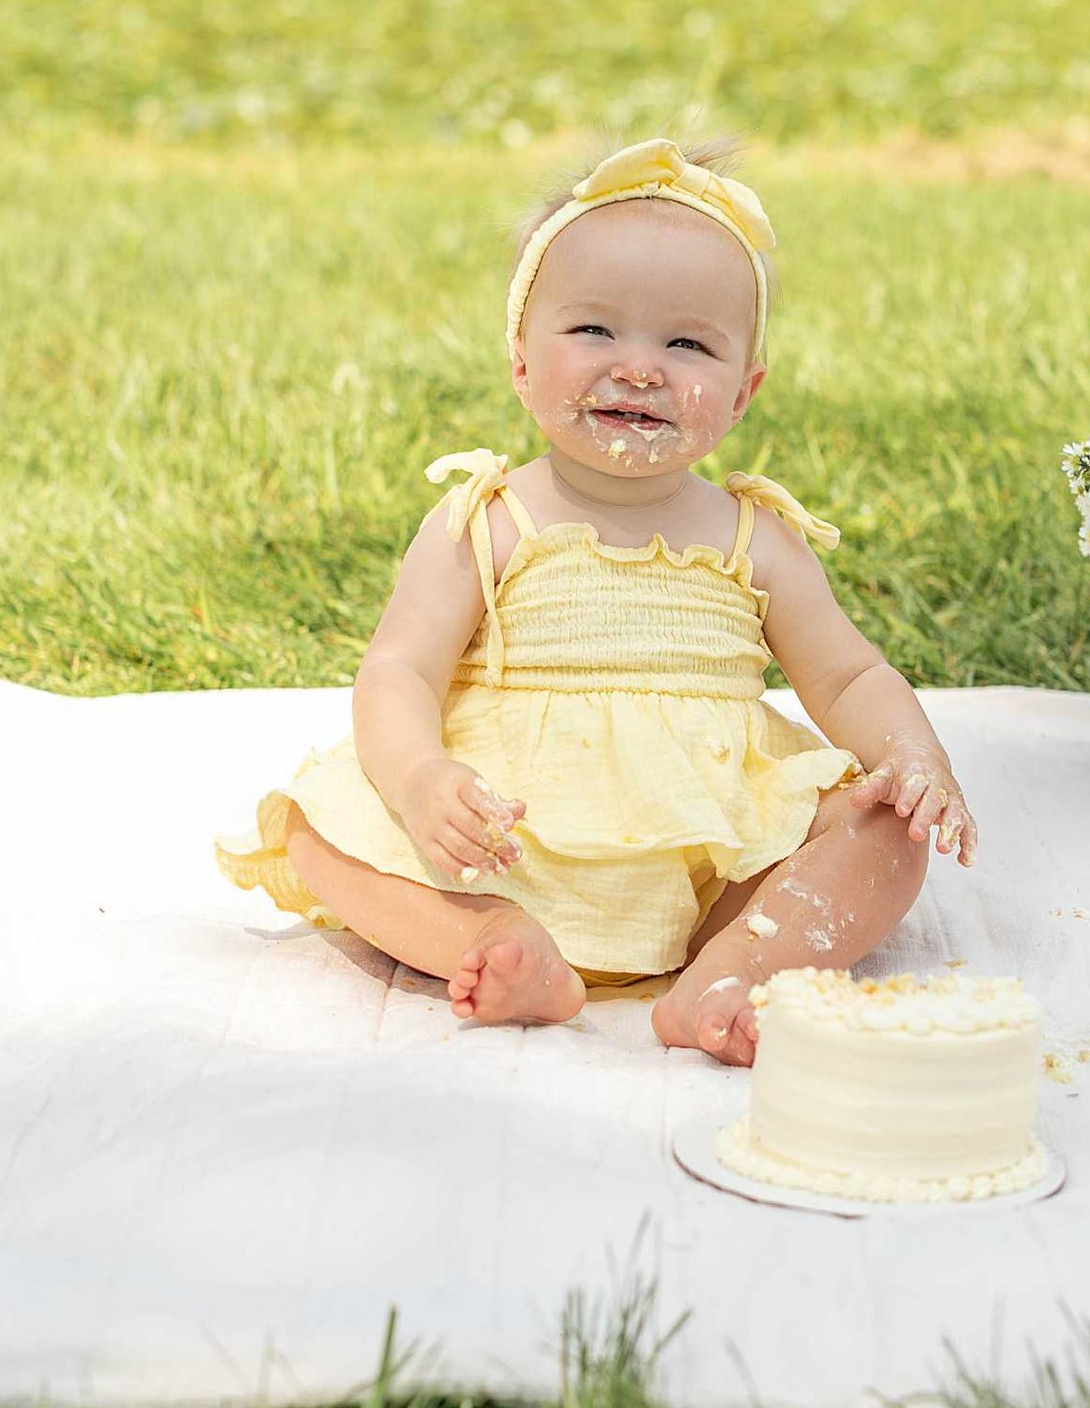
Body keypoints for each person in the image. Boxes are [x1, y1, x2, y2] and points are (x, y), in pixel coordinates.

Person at [215, 133, 978, 1066]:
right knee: (315, 828)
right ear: (520, 360)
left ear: (744, 392)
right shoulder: (488, 520)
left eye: (687, 343)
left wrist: (913, 756)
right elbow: (399, 669)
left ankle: (733, 967)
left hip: (711, 862)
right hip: (503, 844)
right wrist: (420, 781)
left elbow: (850, 674)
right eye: (594, 331)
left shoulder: (757, 539)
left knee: (886, 833)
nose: (640, 367)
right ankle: (496, 941)